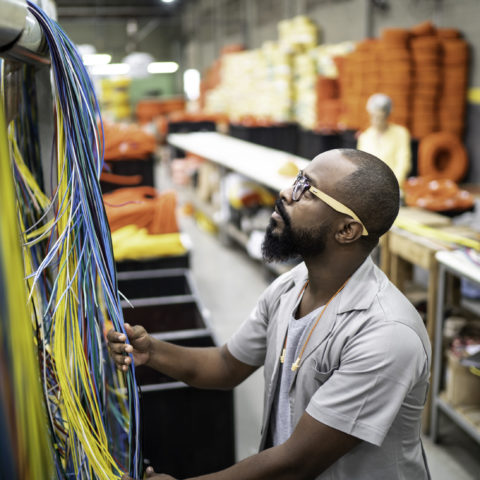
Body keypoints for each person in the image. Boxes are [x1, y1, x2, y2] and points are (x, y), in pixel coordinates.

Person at [109, 148, 431, 480]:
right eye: (297, 180)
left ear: (346, 230)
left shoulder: (386, 334)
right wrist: (153, 352)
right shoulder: (290, 287)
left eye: (307, 189)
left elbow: (297, 463)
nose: (285, 193)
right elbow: (225, 366)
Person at [357, 93, 412, 190]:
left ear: (387, 115)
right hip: (369, 190)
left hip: (394, 189)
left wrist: (392, 185)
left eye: (380, 117)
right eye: (373, 116)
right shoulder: (365, 137)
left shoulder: (400, 133)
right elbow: (360, 166)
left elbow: (403, 163)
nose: (376, 121)